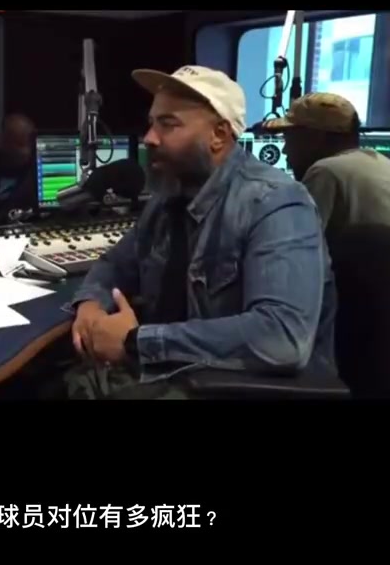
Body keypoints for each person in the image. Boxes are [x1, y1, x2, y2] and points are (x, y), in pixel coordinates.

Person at [67, 65, 337, 399]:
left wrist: (136, 342)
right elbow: (115, 264)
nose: (149, 138)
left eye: (168, 124)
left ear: (219, 135)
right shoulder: (169, 198)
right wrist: (90, 305)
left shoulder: (276, 202)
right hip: (170, 373)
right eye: (152, 123)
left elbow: (281, 336)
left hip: (238, 389)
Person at [263, 92, 390, 247]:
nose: (285, 151)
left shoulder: (326, 171)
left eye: (289, 139)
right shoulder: (382, 163)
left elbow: (291, 247)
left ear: (315, 137)